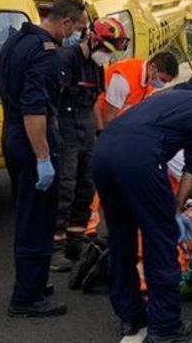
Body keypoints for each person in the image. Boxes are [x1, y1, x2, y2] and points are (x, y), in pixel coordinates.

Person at [92, 73, 192, 342]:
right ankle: (165, 327)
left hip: (103, 152)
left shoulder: (162, 98)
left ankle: (130, 315)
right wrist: (175, 208)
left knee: (121, 239)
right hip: (140, 159)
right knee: (160, 242)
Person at [0, 0, 88, 318]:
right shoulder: (47, 55)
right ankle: (26, 298)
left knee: (25, 215)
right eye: (79, 28)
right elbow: (36, 111)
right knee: (36, 221)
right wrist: (43, 157)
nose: (77, 35)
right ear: (65, 23)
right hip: (34, 140)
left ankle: (33, 282)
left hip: (11, 135)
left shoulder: (13, 42)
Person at [51, 18, 130, 271]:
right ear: (94, 40)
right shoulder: (66, 59)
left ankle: (76, 239)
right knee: (65, 185)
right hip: (66, 127)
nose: (107, 55)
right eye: (106, 49)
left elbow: (95, 101)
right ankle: (55, 248)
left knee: (87, 185)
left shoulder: (97, 68)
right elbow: (54, 100)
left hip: (85, 127)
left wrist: (100, 132)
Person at [98, 51, 180, 127]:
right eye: (162, 80)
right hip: (98, 120)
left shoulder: (150, 78)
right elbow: (108, 118)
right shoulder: (123, 80)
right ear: (152, 67)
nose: (162, 84)